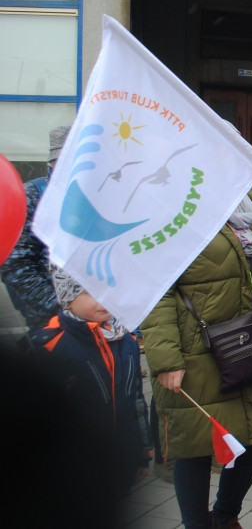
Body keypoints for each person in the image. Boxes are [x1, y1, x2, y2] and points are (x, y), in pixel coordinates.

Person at [141, 193, 252, 529]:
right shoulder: (171, 207)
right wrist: (166, 358)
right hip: (194, 352)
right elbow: (155, 288)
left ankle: (224, 515)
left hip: (246, 342)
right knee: (196, 447)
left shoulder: (242, 202)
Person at [30, 265, 152, 498]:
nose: (103, 298)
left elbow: (136, 399)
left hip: (122, 455)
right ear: (67, 298)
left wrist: (143, 452)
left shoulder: (126, 341)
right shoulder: (50, 345)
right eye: (89, 292)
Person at [1, 125, 70, 330]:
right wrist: (60, 307)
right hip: (53, 321)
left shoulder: (98, 195)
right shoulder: (33, 195)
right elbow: (15, 264)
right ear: (53, 163)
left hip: (104, 320)